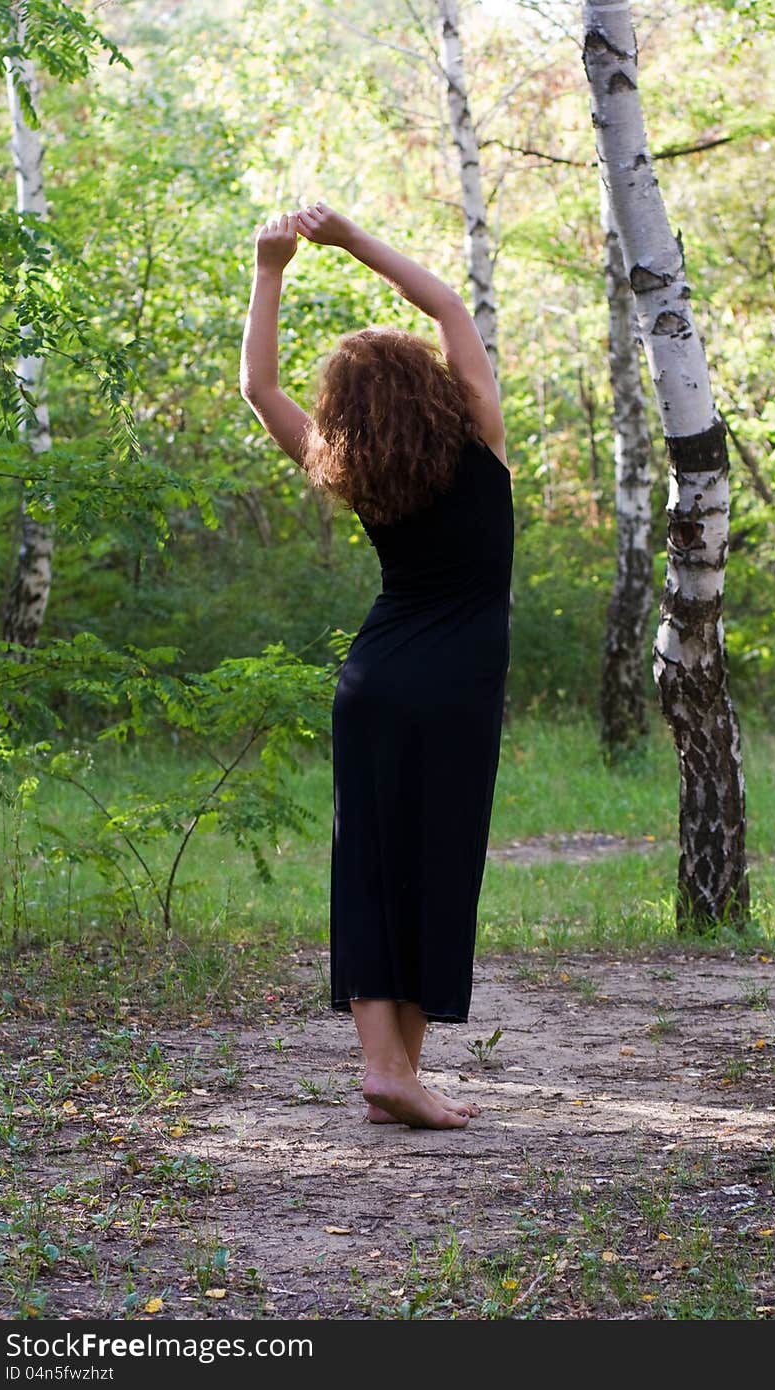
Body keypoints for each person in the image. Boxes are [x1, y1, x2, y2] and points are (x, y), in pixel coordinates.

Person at [240, 202, 513, 1130]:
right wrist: (352, 242)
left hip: (375, 679)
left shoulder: (350, 467)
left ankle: (389, 1069)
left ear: (349, 415)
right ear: (431, 388)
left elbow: (258, 388)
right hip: (456, 691)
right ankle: (394, 1069)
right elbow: (448, 308)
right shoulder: (480, 442)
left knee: (370, 861)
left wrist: (270, 267)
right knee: (435, 862)